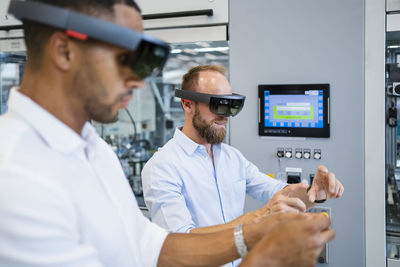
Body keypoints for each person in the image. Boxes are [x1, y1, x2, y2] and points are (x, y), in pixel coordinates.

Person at [0, 0, 335, 266]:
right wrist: (266, 258)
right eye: (125, 59)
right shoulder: (16, 175)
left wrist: (257, 227)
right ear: (64, 51)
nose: (137, 81)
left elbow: (152, 248)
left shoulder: (95, 152)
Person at [142, 65, 343, 237]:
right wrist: (259, 218)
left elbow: (277, 192)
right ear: (187, 104)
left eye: (232, 106)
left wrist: (315, 192)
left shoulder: (231, 158)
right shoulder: (162, 166)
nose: (226, 116)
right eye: (219, 105)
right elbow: (181, 241)